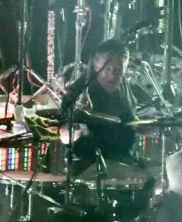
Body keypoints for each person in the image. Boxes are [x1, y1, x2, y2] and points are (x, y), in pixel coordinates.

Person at [58, 39, 143, 170]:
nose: (113, 74)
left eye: (119, 69)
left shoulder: (123, 85)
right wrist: (77, 123)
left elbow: (130, 121)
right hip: (90, 167)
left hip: (125, 162)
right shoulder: (78, 90)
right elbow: (64, 136)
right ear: (95, 63)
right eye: (108, 68)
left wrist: (151, 126)